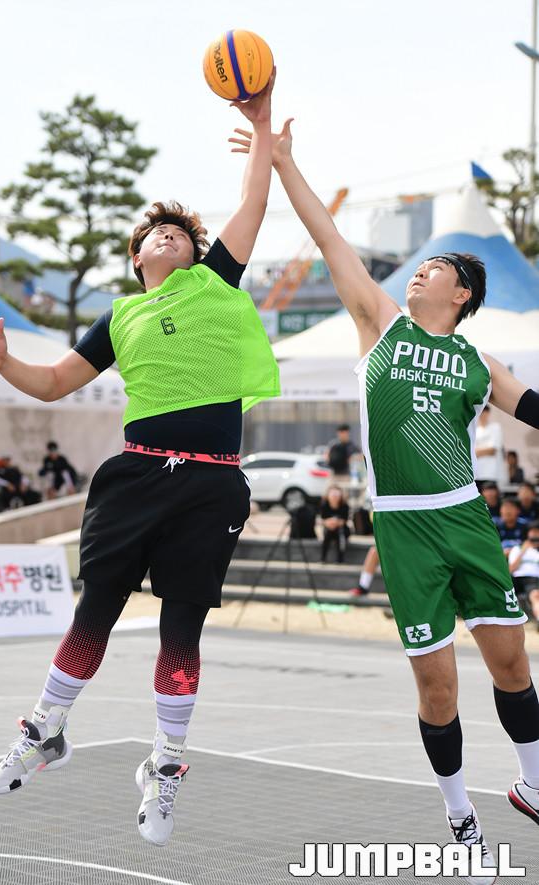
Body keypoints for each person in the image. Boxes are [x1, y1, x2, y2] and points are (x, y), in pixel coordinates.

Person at [0, 73, 279, 848]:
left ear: (197, 253)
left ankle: (164, 765)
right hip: (135, 473)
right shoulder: (119, 316)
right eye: (155, 234)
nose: (169, 236)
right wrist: (3, 363)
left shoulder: (213, 282)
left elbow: (255, 201)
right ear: (136, 257)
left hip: (211, 480)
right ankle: (44, 731)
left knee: (181, 627)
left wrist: (261, 123)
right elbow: (53, 383)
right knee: (95, 609)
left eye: (180, 233)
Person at [230, 118, 539, 881]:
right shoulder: (380, 324)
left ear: (461, 292)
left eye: (432, 267)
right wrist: (283, 161)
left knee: (512, 660)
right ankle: (460, 812)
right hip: (402, 528)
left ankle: (534, 782)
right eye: (417, 265)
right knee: (438, 684)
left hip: (465, 517)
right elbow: (329, 236)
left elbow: (534, 409)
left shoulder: (477, 359)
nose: (417, 272)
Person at [509, 523, 539, 625]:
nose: (535, 534)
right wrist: (523, 551)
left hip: (533, 579)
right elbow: (511, 569)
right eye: (533, 532)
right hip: (516, 578)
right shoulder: (517, 548)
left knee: (535, 595)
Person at [474, 405, 505, 487]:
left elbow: (492, 450)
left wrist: (476, 452)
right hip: (477, 473)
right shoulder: (475, 430)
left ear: (488, 413)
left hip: (490, 472)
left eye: (483, 412)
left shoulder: (495, 427)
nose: (481, 415)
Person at [319, 485, 350, 563]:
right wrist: (330, 523)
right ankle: (323, 558)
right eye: (332, 495)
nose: (334, 497)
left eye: (336, 495)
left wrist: (335, 523)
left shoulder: (344, 506)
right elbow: (323, 520)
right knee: (328, 534)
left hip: (341, 529)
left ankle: (340, 559)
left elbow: (344, 521)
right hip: (329, 528)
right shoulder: (324, 505)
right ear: (328, 495)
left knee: (340, 534)